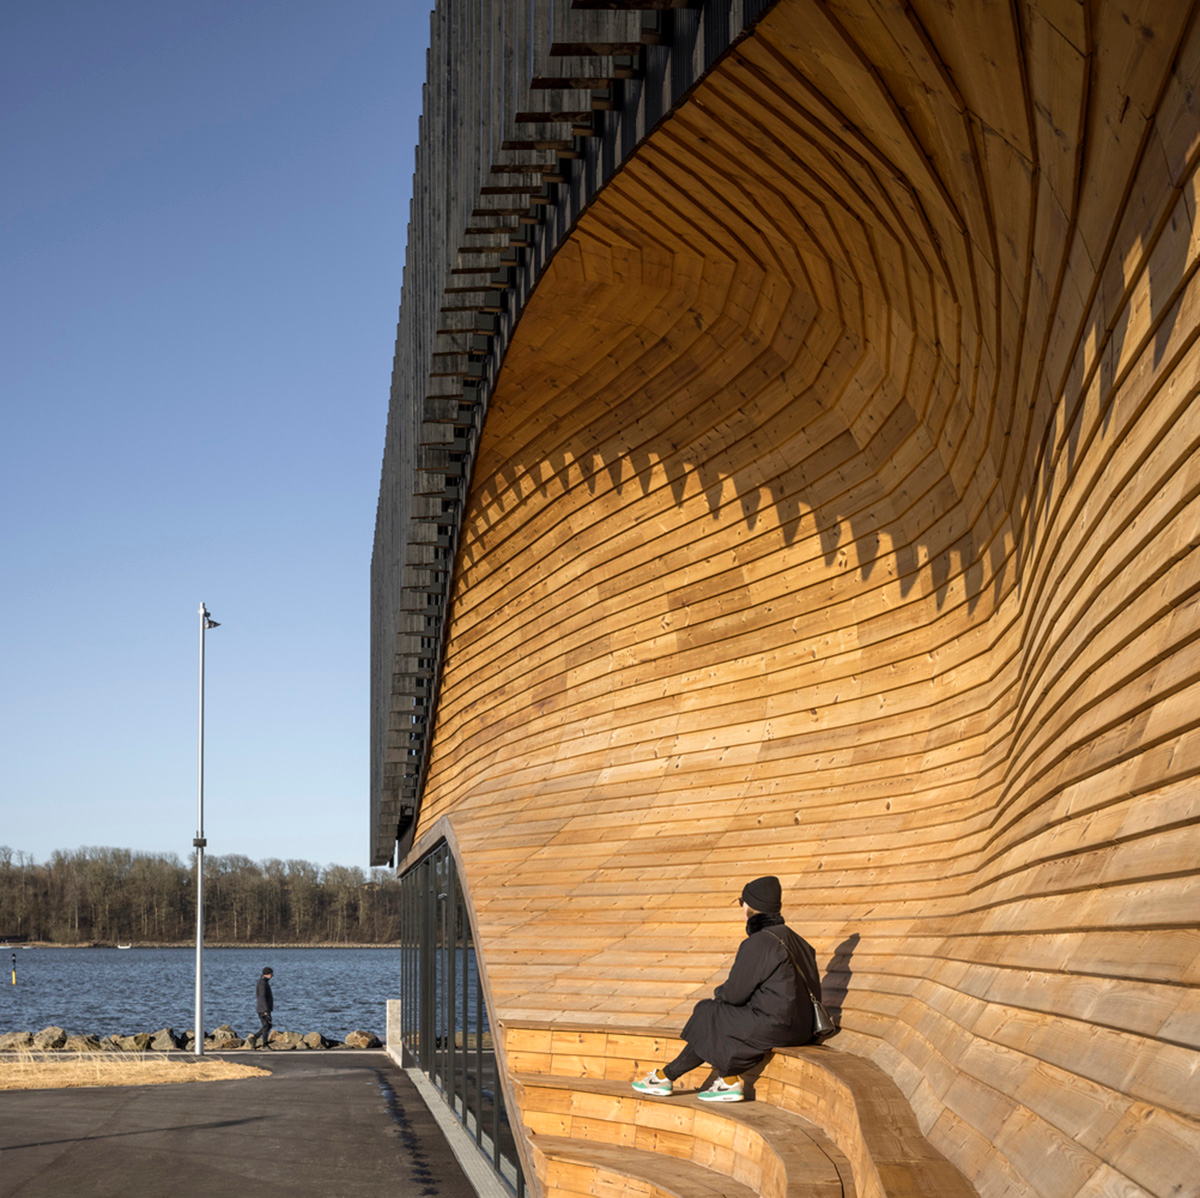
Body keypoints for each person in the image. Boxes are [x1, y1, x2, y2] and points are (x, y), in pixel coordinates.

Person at [632, 876, 821, 1102]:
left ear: (750, 907)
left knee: (707, 1012)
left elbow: (734, 994)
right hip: (803, 1029)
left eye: (742, 902)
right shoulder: (798, 941)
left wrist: (719, 994)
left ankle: (670, 1078)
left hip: (776, 1026)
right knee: (717, 1016)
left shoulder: (759, 942)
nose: (741, 907)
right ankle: (702, 1079)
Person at [253, 966, 274, 1050]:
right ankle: (264, 1045)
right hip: (263, 1008)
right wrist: (265, 1010)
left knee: (268, 1025)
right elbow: (262, 997)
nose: (272, 975)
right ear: (268, 974)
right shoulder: (262, 983)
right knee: (266, 1026)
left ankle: (255, 1037)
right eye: (271, 973)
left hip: (264, 1008)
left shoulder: (264, 982)